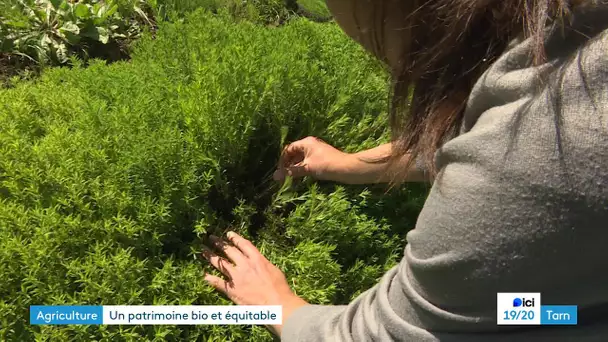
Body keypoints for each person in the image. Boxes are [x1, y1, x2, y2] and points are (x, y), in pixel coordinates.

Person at [201, 0, 608, 340]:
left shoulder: (536, 157)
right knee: (550, 310)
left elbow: (384, 333)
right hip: (580, 297)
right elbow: (493, 129)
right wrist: (348, 164)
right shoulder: (572, 28)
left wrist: (278, 305)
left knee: (520, 311)